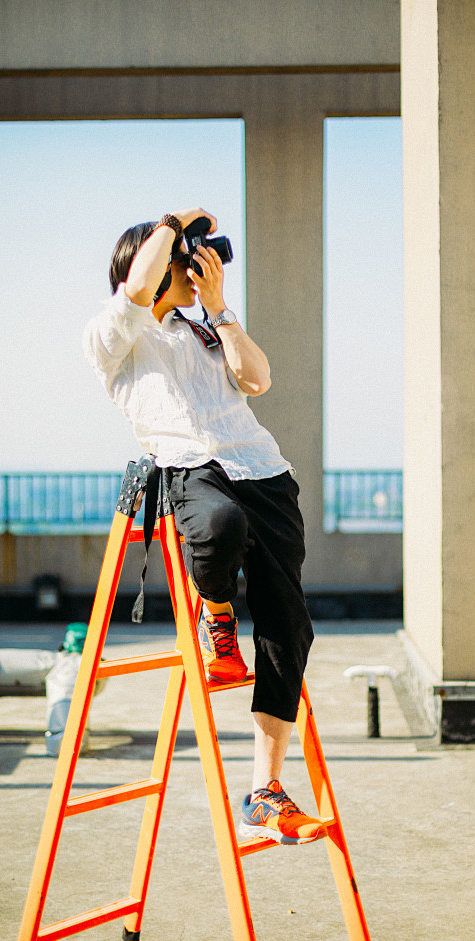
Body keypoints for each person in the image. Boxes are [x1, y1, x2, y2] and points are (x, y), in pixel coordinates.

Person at [83, 207, 324, 845]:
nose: (197, 266)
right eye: (185, 258)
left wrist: (222, 308)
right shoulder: (117, 335)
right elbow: (136, 292)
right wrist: (173, 221)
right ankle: (214, 610)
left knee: (288, 625)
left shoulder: (206, 330)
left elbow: (259, 379)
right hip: (192, 470)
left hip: (262, 470)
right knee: (216, 526)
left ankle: (266, 791)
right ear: (156, 262)